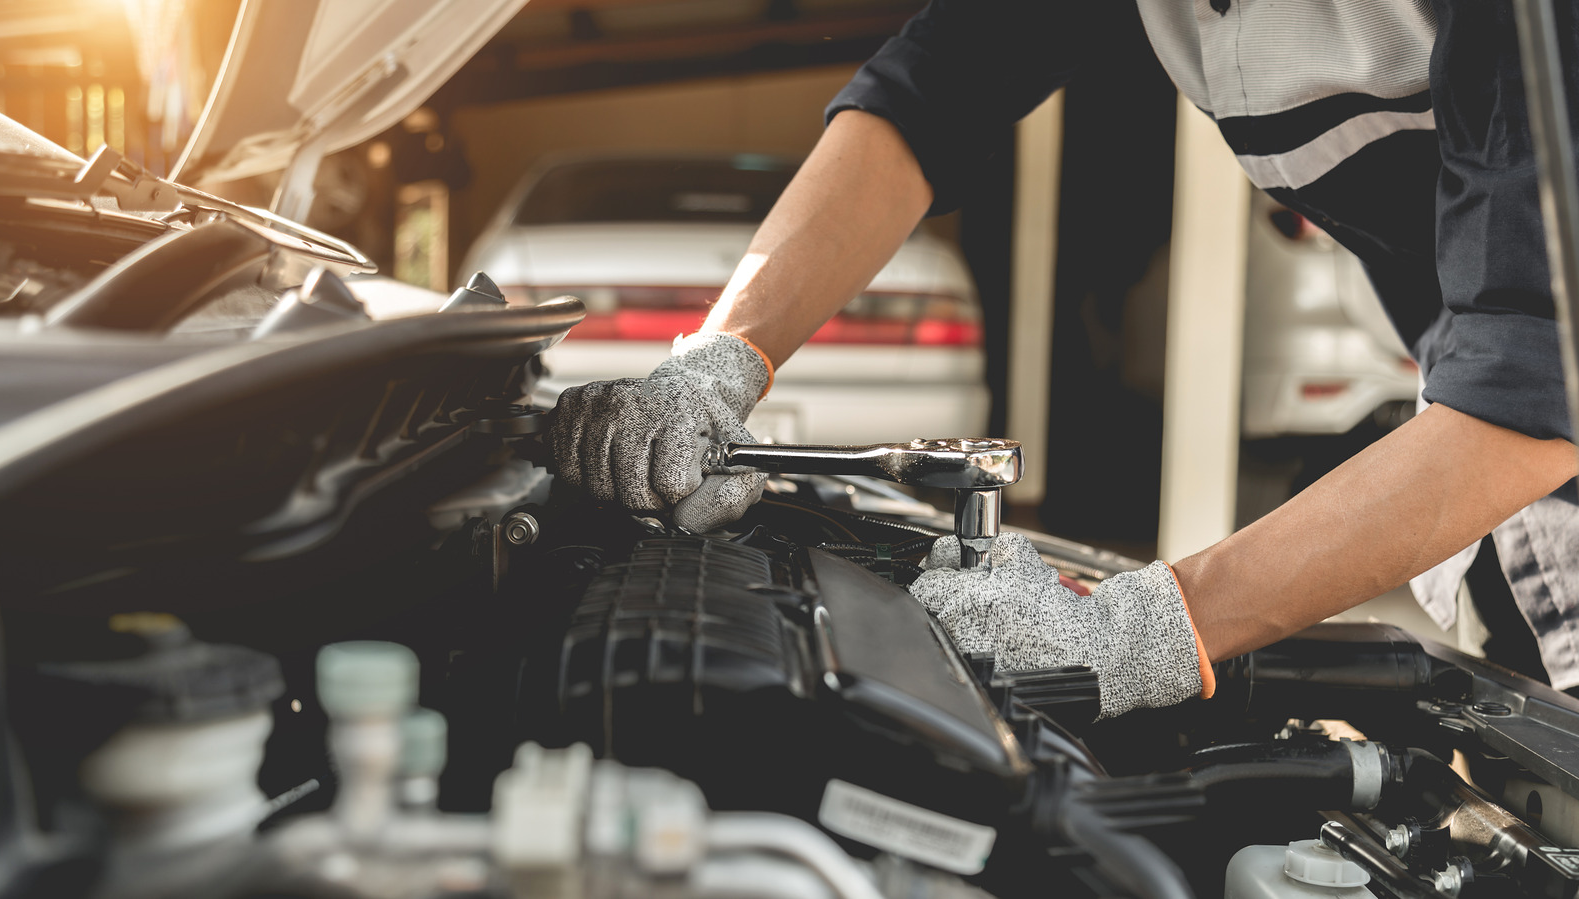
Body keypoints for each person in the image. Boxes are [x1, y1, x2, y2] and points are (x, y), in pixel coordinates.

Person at [550, 1, 1579, 718]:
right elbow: (920, 101)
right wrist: (716, 362)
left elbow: (1529, 378)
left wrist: (1148, 627)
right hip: (1490, 466)